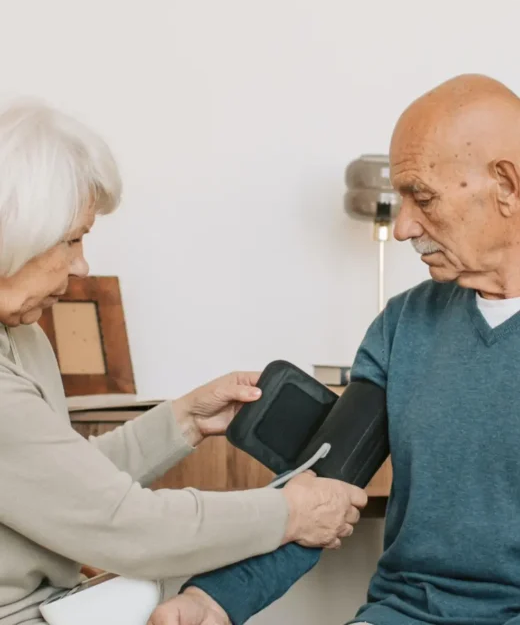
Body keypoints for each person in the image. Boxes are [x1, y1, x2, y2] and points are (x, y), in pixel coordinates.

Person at [156, 73, 520, 625]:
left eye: (421, 197)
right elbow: (322, 492)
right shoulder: (404, 324)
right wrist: (212, 601)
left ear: (507, 186)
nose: (403, 228)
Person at [0, 100, 367, 625]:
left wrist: (184, 421)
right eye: (73, 239)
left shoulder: (24, 335)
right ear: (16, 231)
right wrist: (291, 513)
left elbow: (68, 484)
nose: (82, 266)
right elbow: (122, 523)